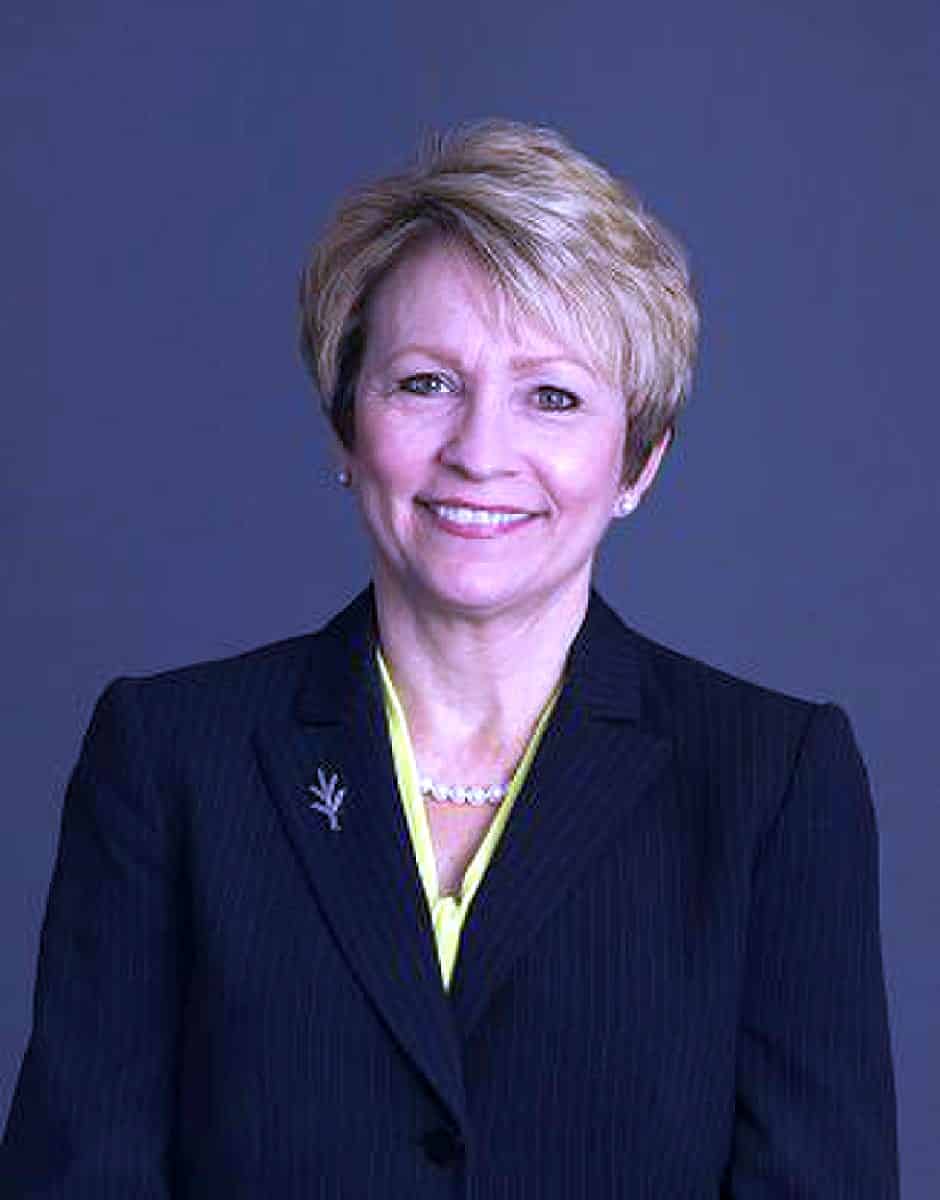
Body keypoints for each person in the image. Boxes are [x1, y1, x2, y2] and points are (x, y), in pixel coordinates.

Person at [1, 119, 898, 1197]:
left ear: (639, 463)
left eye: (552, 396)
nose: (480, 452)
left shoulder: (770, 782)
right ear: (345, 426)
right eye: (425, 383)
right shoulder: (170, 758)